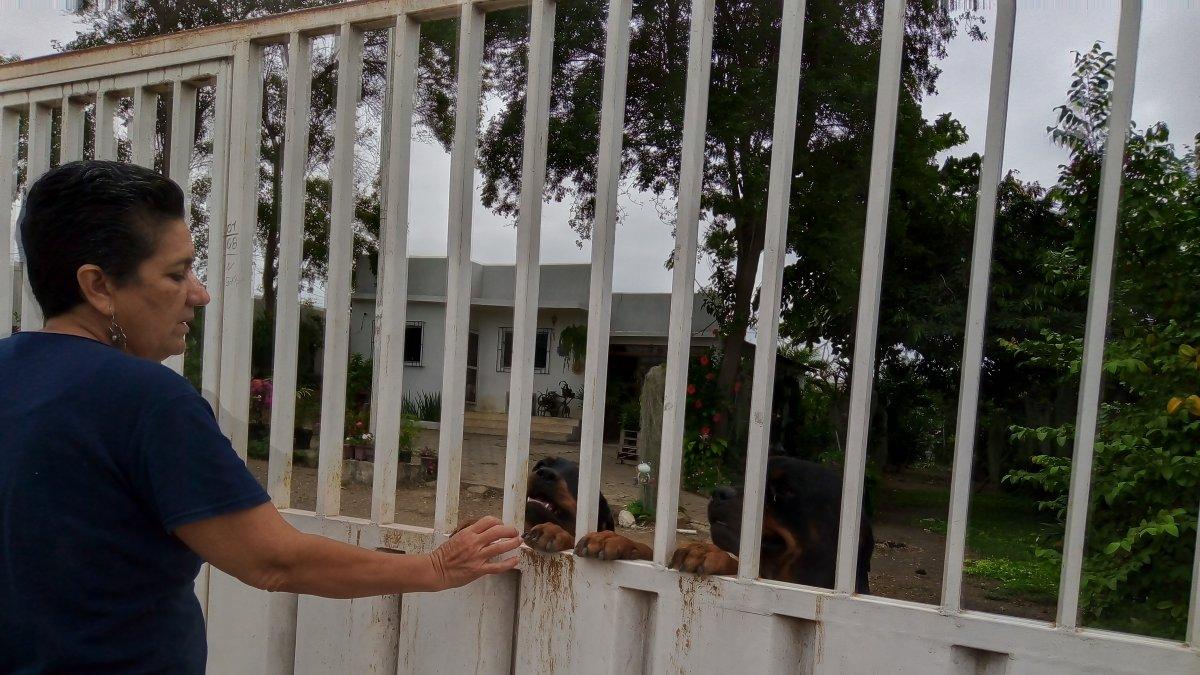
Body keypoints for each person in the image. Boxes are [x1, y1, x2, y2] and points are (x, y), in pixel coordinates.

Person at [0, 160, 522, 673]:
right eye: (176, 273)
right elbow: (273, 560)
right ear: (99, 286)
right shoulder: (147, 399)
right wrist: (434, 568)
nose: (199, 295)